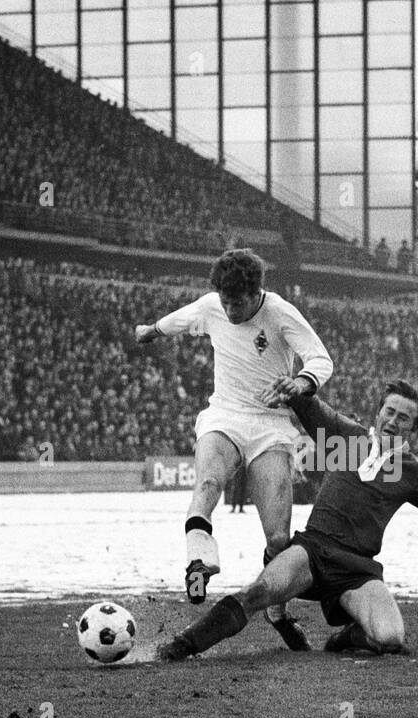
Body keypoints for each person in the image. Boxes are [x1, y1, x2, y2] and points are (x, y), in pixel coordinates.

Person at [156, 378, 418, 661]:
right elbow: (312, 408)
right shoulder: (347, 437)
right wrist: (295, 384)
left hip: (358, 570)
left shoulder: (412, 472)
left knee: (390, 639)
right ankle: (180, 646)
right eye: (389, 412)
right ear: (378, 412)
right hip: (313, 550)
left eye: (404, 418)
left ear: (413, 429)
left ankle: (343, 638)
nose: (393, 421)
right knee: (257, 593)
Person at [133, 248, 334, 649]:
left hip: (271, 427)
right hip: (224, 415)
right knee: (207, 481)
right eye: (224, 300)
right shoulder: (213, 307)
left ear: (256, 292)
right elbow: (181, 318)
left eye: (237, 302)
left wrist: (303, 382)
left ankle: (278, 612)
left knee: (278, 539)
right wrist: (151, 330)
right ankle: (200, 562)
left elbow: (320, 358)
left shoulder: (279, 313)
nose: (228, 309)